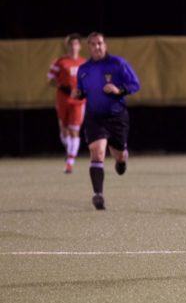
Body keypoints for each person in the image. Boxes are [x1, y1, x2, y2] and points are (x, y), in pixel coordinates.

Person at [76, 32, 141, 210]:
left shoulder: (118, 64)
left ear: (105, 45)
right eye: (93, 44)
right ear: (88, 47)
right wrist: (79, 94)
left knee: (118, 154)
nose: (97, 47)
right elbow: (82, 91)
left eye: (100, 43)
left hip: (117, 117)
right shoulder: (83, 70)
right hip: (95, 118)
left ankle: (121, 160)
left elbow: (136, 84)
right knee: (97, 153)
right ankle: (98, 195)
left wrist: (119, 90)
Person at [47, 33, 86, 173]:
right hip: (62, 99)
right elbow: (50, 79)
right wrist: (62, 86)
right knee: (64, 131)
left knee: (74, 130)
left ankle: (70, 162)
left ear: (80, 46)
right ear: (67, 46)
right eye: (71, 44)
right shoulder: (60, 62)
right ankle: (69, 151)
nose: (73, 47)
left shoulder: (85, 63)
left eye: (76, 44)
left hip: (78, 102)